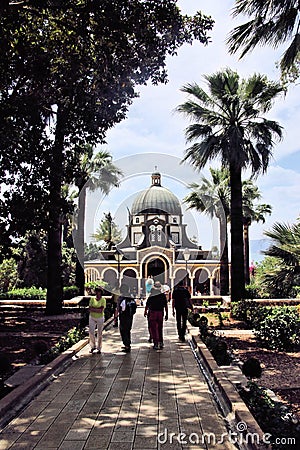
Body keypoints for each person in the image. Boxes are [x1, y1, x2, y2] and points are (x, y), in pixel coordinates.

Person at [144, 281, 168, 350]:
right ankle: (160, 342)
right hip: (160, 313)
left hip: (153, 312)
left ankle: (156, 343)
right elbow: (165, 305)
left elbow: (147, 304)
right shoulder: (162, 295)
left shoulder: (152, 295)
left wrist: (145, 311)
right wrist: (166, 314)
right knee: (160, 328)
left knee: (154, 328)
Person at [117, 283, 136, 353]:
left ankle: (127, 345)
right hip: (130, 316)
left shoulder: (121, 298)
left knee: (123, 330)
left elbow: (120, 308)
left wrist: (117, 314)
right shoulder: (131, 296)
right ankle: (127, 344)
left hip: (124, 316)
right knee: (128, 330)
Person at [89, 286, 106, 354]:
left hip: (100, 317)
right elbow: (90, 308)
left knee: (100, 333)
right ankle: (93, 346)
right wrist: (97, 309)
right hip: (92, 317)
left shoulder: (103, 300)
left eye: (99, 291)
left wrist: (94, 309)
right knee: (91, 332)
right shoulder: (92, 299)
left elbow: (101, 310)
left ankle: (99, 348)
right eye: (96, 291)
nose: (97, 293)